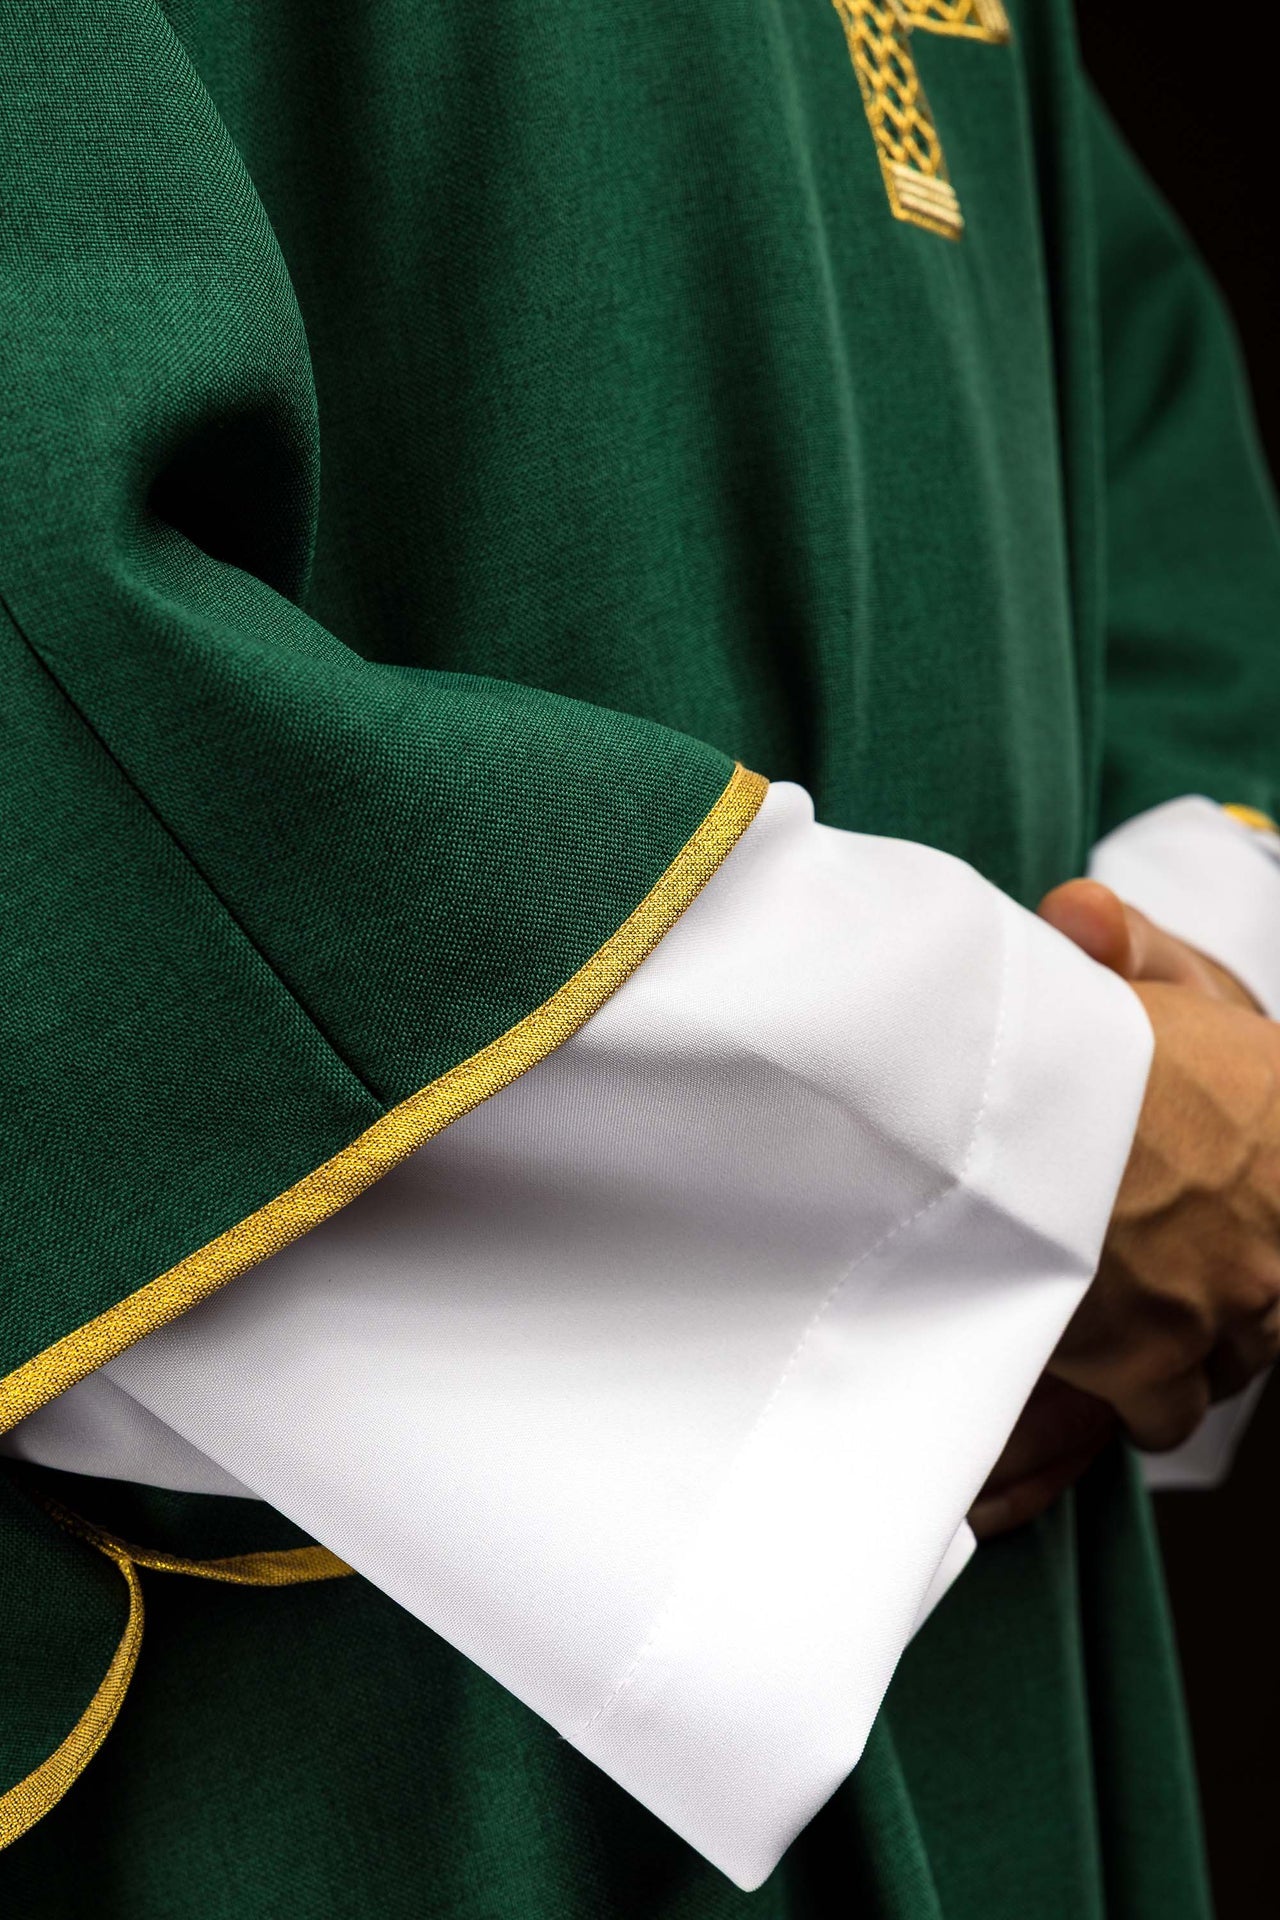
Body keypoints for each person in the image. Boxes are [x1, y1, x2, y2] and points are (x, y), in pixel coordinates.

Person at [2, 0, 1278, 1913]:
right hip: (332, 1697)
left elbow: (1115, 368)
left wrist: (1214, 990)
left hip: (1007, 1562)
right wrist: (1033, 1140)